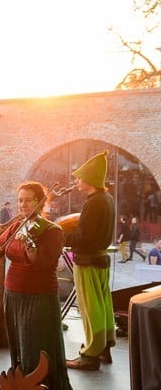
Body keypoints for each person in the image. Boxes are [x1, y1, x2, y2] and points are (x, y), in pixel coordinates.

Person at [0, 181, 81, 390]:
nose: (23, 205)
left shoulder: (52, 230)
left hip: (38, 297)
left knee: (35, 350)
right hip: (13, 296)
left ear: (40, 201)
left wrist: (30, 247)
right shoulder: (17, 225)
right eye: (20, 200)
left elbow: (45, 264)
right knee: (18, 348)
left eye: (28, 200)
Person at [63, 151, 116, 370]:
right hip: (101, 260)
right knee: (103, 305)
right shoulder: (107, 199)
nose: (76, 181)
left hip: (88, 262)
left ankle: (89, 356)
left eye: (79, 177)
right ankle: (104, 348)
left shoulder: (93, 203)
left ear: (90, 180)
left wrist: (62, 237)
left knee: (89, 308)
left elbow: (84, 238)